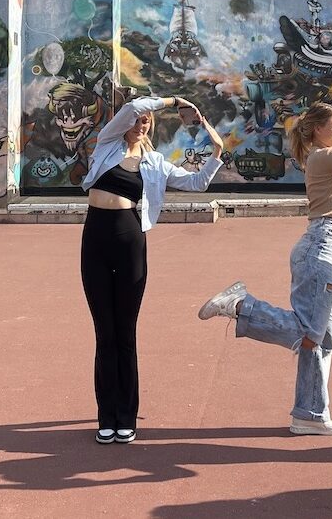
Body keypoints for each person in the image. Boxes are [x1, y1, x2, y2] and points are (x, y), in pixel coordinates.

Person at [198, 94, 332, 436]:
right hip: (322, 247)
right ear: (316, 131)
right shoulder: (324, 157)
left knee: (322, 340)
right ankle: (241, 306)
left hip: (326, 248)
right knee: (311, 335)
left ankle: (309, 414)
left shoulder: (327, 156)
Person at [80, 94, 224, 445]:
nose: (139, 124)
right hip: (94, 239)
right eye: (136, 119)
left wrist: (217, 153)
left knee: (125, 331)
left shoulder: (156, 163)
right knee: (104, 333)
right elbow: (131, 107)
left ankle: (126, 416)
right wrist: (175, 99)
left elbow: (196, 183)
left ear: (150, 126)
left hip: (130, 241)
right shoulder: (108, 143)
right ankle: (107, 416)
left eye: (145, 121)